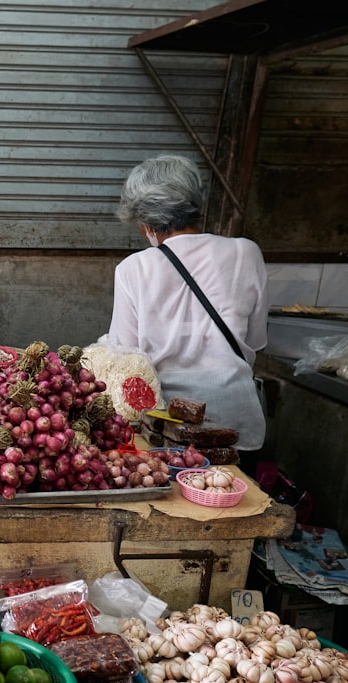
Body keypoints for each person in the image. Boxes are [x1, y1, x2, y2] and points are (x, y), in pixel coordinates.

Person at [108, 154, 268, 457]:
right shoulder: (247, 253)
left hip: (168, 429)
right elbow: (256, 341)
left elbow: (125, 356)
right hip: (237, 422)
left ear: (145, 224)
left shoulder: (133, 269)